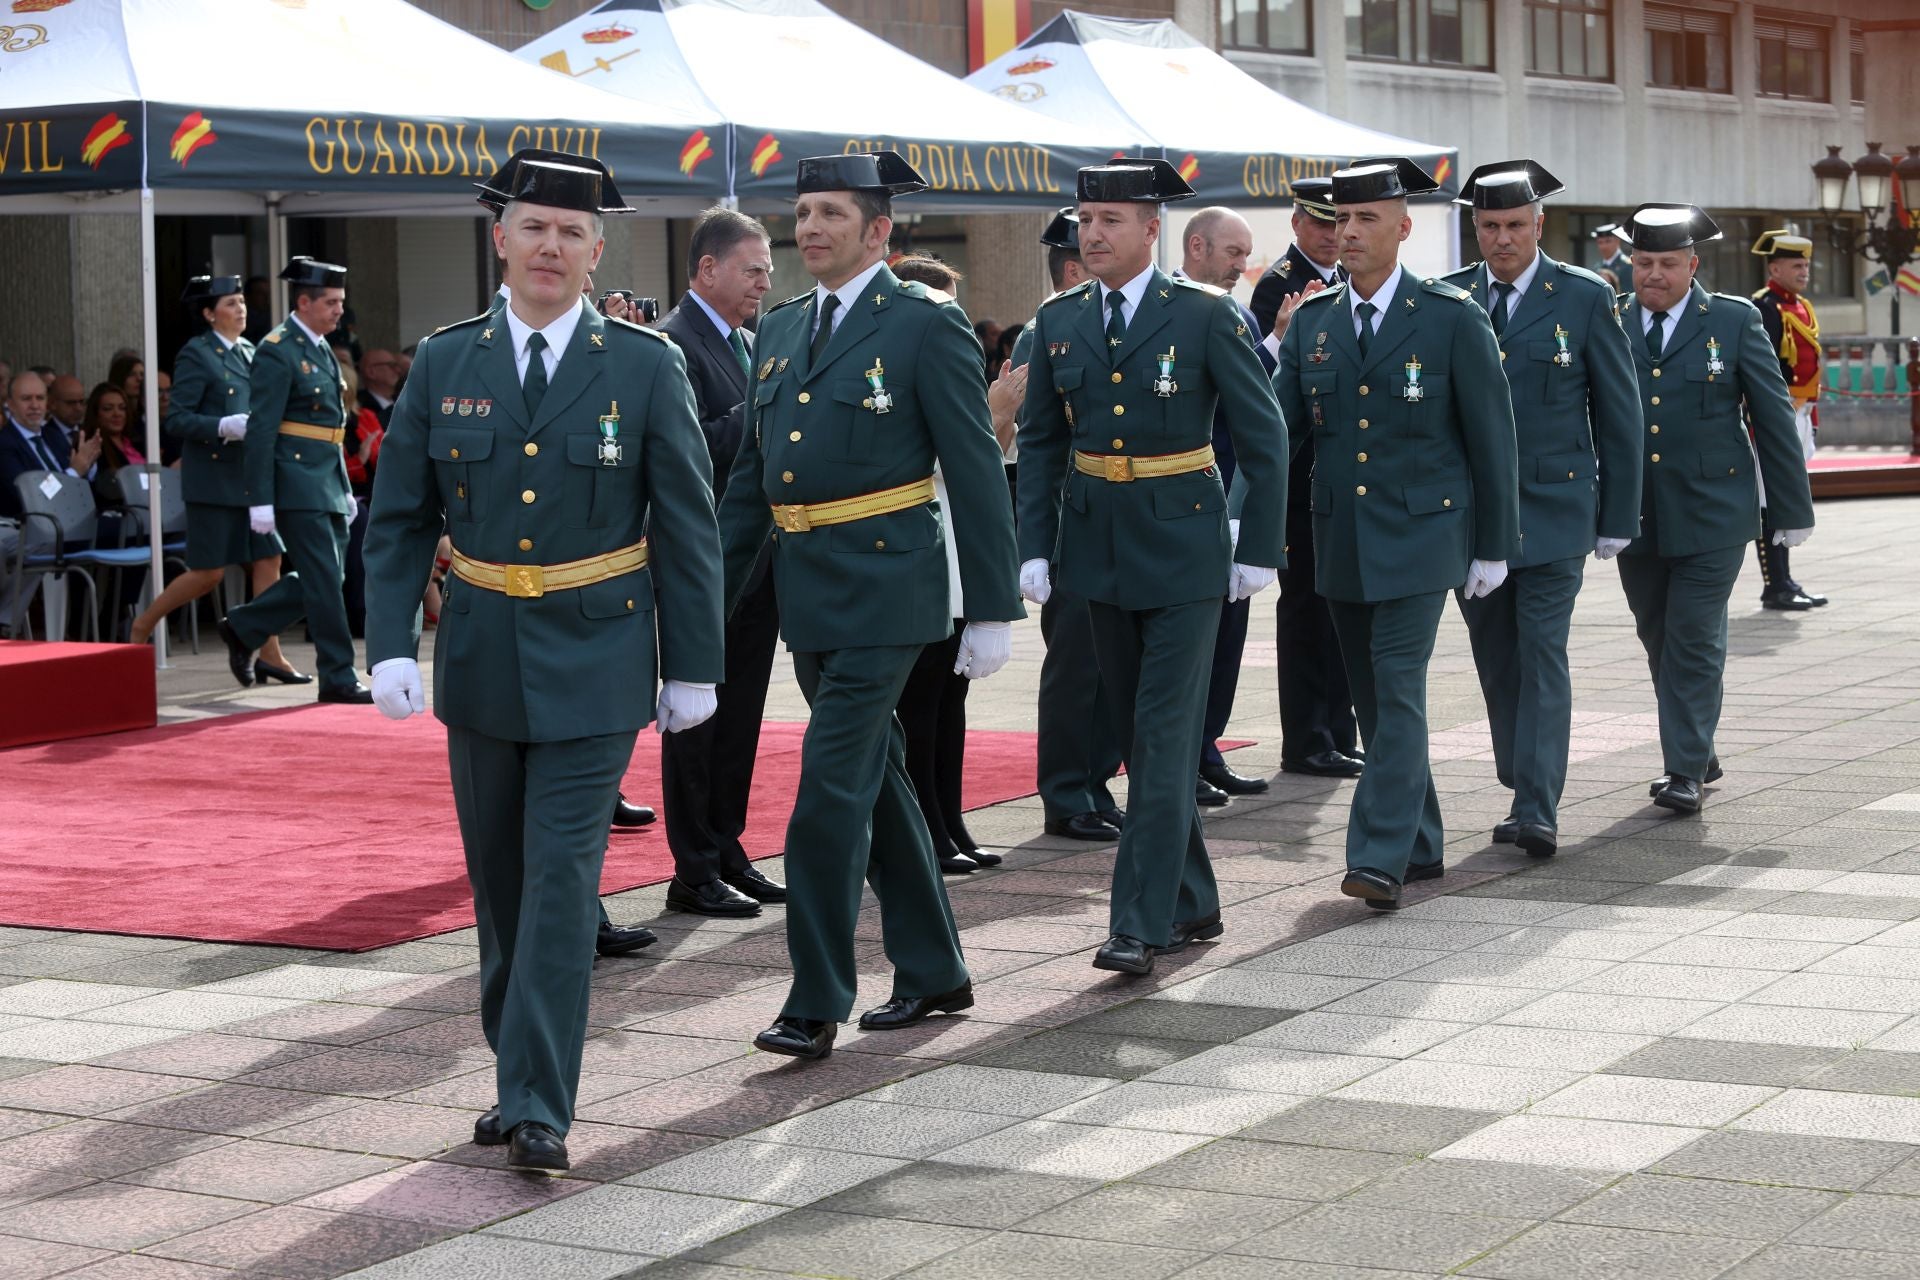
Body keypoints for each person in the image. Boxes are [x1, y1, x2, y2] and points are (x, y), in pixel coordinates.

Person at [364, 149, 723, 1172]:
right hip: (479, 654)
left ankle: (537, 1101)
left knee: (563, 882)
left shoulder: (646, 365)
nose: (551, 246)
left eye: (571, 232)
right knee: (501, 885)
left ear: (597, 248)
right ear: (501, 240)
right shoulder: (446, 360)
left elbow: (689, 524)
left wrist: (691, 661)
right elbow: (398, 519)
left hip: (600, 656)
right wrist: (390, 641)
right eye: (534, 227)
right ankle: (515, 1065)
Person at [713, 150, 1022, 1059]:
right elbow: (750, 487)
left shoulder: (925, 324)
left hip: (893, 587)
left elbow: (972, 468)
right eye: (803, 212)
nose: (809, 229)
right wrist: (702, 608)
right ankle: (934, 971)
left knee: (827, 792)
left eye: (831, 214)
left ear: (879, 231)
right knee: (879, 785)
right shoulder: (778, 329)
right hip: (810, 589)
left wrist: (993, 607)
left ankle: (815, 996)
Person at [1018, 159, 1287, 974]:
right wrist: (1034, 545)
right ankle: (1194, 902)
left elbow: (1267, 439)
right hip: (1097, 550)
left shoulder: (1204, 316)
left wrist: (1256, 549)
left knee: (1164, 742)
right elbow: (1040, 442)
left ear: (1150, 229)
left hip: (1184, 552)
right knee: (1143, 734)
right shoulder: (1061, 319)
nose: (1091, 234)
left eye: (1110, 221)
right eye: (1085, 221)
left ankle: (1137, 922)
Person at [1269, 157, 1519, 912]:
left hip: (1423, 537)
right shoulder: (1312, 323)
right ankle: (1421, 842)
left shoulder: (1448, 316)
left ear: (1403, 228)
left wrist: (1494, 544)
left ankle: (1376, 856)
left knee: (1399, 688)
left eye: (1365, 219)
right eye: (1339, 219)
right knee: (1373, 700)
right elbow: (1274, 431)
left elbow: (1491, 437)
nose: (1347, 232)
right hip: (1341, 539)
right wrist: (1237, 515)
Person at [1442, 160, 1641, 858]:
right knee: (1496, 660)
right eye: (1490, 227)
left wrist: (1619, 514)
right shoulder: (1451, 298)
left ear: (1540, 225)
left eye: (1515, 226)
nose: (1502, 240)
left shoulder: (1584, 297)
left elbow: (1619, 411)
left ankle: (1537, 805)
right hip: (1473, 521)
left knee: (1542, 653)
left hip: (1555, 511)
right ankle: (1520, 777)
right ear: (1475, 228)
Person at [1613, 204, 1814, 814]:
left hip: (1714, 512)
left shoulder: (1732, 320)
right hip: (1633, 514)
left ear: (1692, 265)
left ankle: (1682, 772)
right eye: (1642, 263)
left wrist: (1790, 508)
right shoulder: (1610, 320)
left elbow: (1772, 415)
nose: (1653, 274)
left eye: (1667, 263)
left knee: (1693, 637)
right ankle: (1697, 746)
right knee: (1657, 637)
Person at [653, 206, 788, 918]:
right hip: (701, 566)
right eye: (753, 269)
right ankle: (694, 866)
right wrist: (760, 416)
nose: (765, 284)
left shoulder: (748, 341)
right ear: (707, 269)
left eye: (768, 271)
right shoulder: (673, 345)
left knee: (741, 718)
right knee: (697, 721)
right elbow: (686, 450)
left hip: (758, 563)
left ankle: (729, 847)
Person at [1011, 207, 1125, 843]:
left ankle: (1096, 781)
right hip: (1069, 528)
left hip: (1117, 526)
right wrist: (1037, 545)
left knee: (1111, 668)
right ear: (1073, 267)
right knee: (1077, 669)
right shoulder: (1045, 334)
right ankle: (1065, 791)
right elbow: (1040, 447)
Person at [1249, 176, 1364, 780]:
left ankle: (1338, 729)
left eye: (1339, 221)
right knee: (1306, 613)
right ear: (1296, 223)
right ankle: (1306, 738)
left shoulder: (1347, 283)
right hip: (1300, 479)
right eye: (1321, 222)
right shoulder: (1280, 287)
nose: (1332, 233)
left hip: (1341, 475)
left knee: (1341, 608)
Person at [887, 252, 999, 875]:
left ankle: (950, 821)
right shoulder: (907, 368)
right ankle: (928, 827)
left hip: (954, 549)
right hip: (924, 554)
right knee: (922, 706)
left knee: (950, 700)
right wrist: (999, 411)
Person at [216, 256, 369, 703]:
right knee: (324, 579)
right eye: (331, 302)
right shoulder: (277, 349)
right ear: (304, 302)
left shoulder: (318, 345)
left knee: (326, 576)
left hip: (325, 480)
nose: (340, 310)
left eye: (341, 301)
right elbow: (263, 429)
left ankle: (243, 626)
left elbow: (332, 428)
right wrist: (259, 498)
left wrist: (342, 484)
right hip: (295, 480)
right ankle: (337, 675)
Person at [131, 278, 303, 675]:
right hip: (213, 480)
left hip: (250, 476)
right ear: (210, 313)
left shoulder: (249, 350)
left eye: (243, 301)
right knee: (207, 573)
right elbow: (176, 419)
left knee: (268, 559)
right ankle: (142, 625)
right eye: (231, 303)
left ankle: (269, 651)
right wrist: (223, 425)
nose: (241, 309)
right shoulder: (197, 354)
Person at [1171, 205, 1271, 806]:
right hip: (1184, 500)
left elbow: (1258, 407)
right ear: (1198, 246)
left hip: (1229, 500)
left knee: (1227, 640)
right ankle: (1181, 758)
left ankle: (1207, 748)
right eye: (1234, 253)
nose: (1242, 265)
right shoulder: (1172, 311)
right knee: (1189, 646)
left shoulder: (1235, 313)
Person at [1749, 230, 1827, 611]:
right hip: (1771, 419)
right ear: (1775, 267)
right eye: (1797, 265)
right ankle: (1775, 584)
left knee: (1784, 497)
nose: (1804, 271)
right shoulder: (1762, 307)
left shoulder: (1802, 306)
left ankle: (1786, 580)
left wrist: (1812, 415)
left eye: (1806, 265)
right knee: (1769, 500)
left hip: (1799, 412)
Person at [358, 349, 401, 428]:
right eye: (391, 365)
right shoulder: (358, 407)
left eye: (397, 366)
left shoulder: (404, 402)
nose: (398, 370)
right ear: (371, 372)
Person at [1592, 223, 1633, 294]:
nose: (1604, 246)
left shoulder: (1628, 265)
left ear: (1617, 241)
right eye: (1600, 242)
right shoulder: (1596, 267)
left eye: (1608, 241)